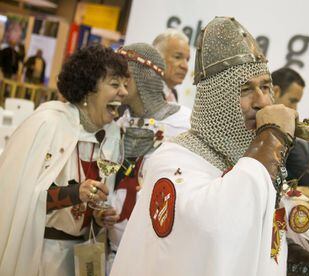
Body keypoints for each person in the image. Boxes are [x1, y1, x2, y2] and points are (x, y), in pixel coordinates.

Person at [111, 17, 309, 276]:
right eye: (246, 89)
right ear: (216, 102)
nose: (261, 102)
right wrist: (271, 137)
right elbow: (217, 230)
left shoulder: (249, 163)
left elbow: (259, 243)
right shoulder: (172, 160)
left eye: (266, 87)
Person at [0, 45, 129, 276]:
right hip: (39, 255)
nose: (123, 92)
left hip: (80, 259)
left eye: (125, 85)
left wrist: (99, 219)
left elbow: (90, 208)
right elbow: (17, 197)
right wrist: (74, 193)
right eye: (114, 84)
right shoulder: (47, 123)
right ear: (89, 89)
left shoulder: (110, 136)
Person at [107, 43, 191, 271]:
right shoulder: (117, 125)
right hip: (111, 250)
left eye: (124, 74)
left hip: (152, 257)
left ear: (146, 75)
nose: (119, 84)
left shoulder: (183, 123)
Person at [153, 29, 190, 102]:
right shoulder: (144, 93)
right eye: (177, 57)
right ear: (157, 57)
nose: (185, 66)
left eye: (187, 60)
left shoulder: (173, 93)